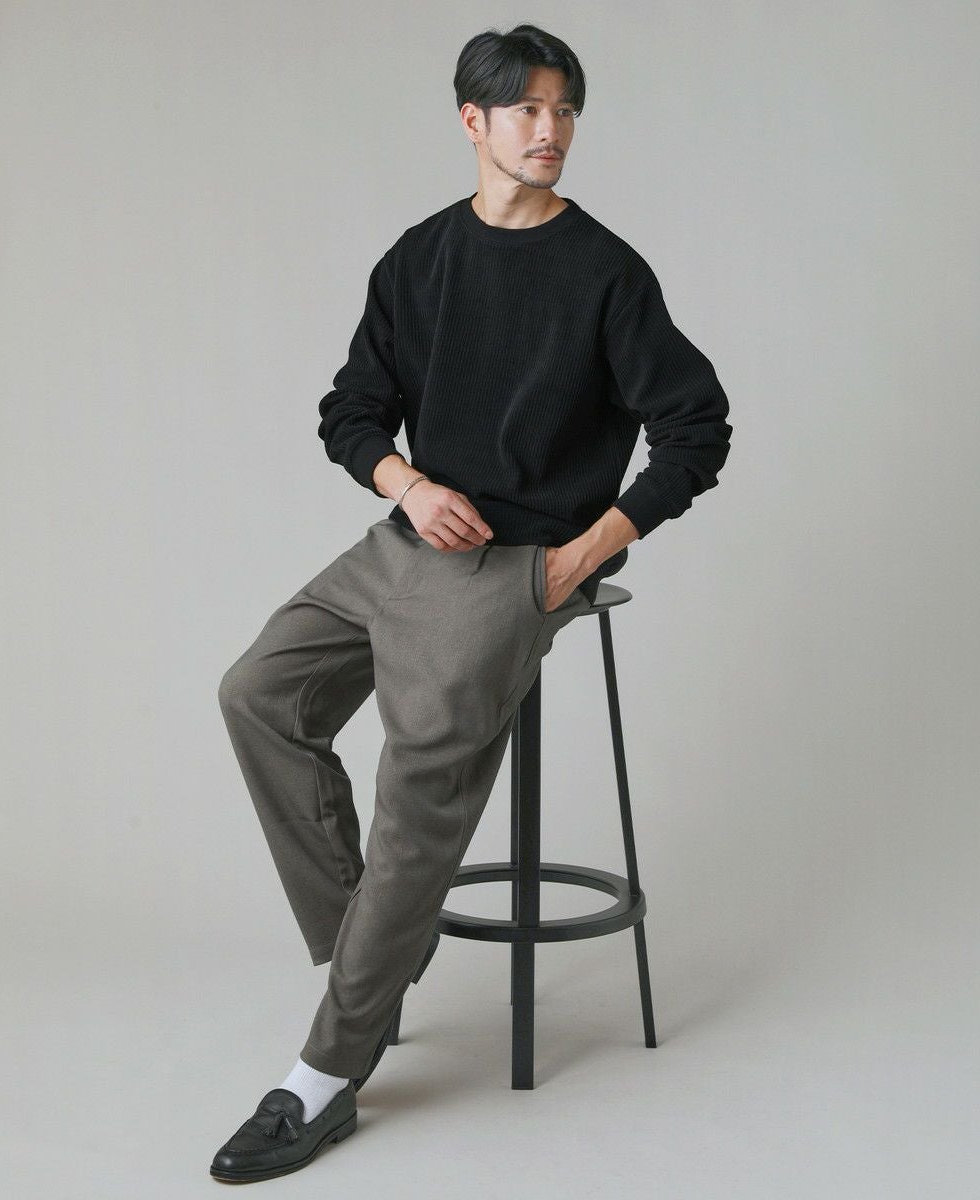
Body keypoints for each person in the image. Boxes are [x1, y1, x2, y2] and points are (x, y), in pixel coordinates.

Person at [210, 22, 731, 1183]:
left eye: (564, 109)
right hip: (403, 542)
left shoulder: (605, 272)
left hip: (518, 567)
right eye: (528, 109)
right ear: (472, 122)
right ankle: (375, 951)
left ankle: (323, 1077)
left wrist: (577, 558)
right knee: (257, 696)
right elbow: (351, 408)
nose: (550, 129)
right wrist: (405, 482)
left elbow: (697, 428)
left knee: (415, 804)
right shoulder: (420, 258)